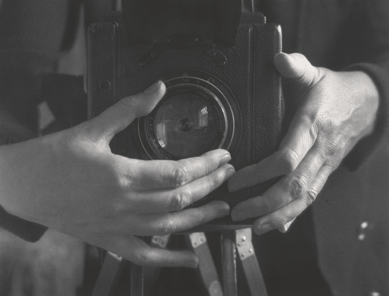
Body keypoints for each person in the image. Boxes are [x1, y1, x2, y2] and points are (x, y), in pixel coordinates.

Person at [0, 0, 388, 295]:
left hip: (322, 235)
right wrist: (12, 175)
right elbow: (12, 53)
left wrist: (368, 95)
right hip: (120, 225)